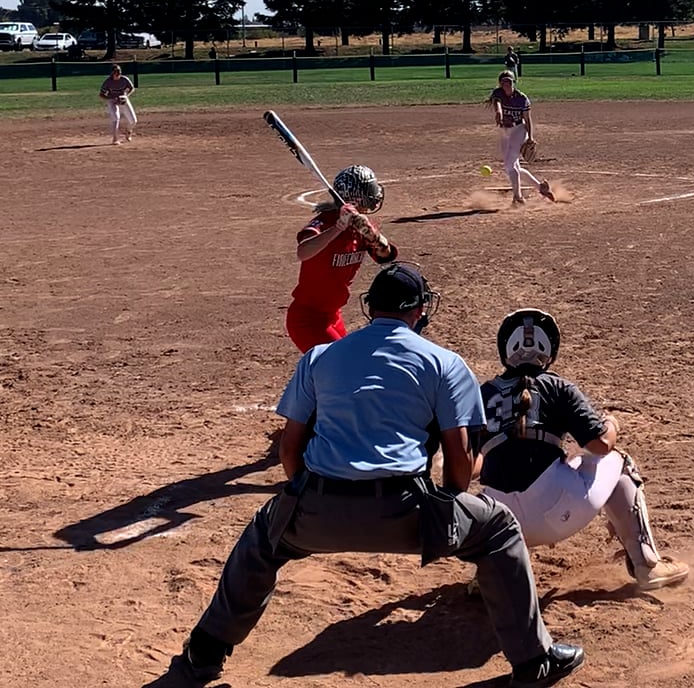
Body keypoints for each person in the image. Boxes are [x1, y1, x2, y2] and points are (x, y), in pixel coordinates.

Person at [168, 263, 585, 688]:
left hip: (317, 509)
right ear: (420, 310)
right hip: (407, 513)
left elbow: (289, 449)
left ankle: (203, 654)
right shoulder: (445, 363)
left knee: (263, 537)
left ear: (370, 307)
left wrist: (304, 499)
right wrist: (448, 512)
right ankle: (534, 662)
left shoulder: (320, 357)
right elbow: (459, 461)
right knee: (498, 528)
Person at [475, 309, 690, 590]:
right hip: (556, 516)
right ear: (550, 351)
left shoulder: (482, 393)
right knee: (618, 461)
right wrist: (611, 423)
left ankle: (491, 573)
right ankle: (647, 564)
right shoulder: (557, 387)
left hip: (499, 526)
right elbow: (600, 445)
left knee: (493, 486)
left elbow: (470, 466)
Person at [283, 165, 399, 352]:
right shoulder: (325, 222)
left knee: (347, 362)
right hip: (308, 318)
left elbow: (386, 256)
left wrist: (374, 237)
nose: (375, 194)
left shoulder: (360, 225)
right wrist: (337, 228)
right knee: (344, 363)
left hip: (333, 315)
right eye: (370, 190)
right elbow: (303, 252)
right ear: (357, 196)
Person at [489, 70, 553, 205]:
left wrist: (530, 137)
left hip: (519, 130)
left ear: (514, 82)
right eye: (503, 82)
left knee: (509, 165)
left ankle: (518, 197)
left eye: (509, 81)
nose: (507, 84)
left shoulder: (522, 98)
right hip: (504, 131)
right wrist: (498, 112)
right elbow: (497, 104)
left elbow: (527, 120)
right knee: (513, 167)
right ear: (500, 84)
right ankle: (541, 187)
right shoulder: (498, 93)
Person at [100, 64, 137, 144]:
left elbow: (132, 88)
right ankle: (115, 139)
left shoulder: (124, 79)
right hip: (112, 101)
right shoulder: (108, 82)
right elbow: (101, 94)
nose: (118, 73)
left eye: (119, 71)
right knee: (116, 118)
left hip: (123, 100)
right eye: (116, 71)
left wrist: (126, 95)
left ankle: (128, 131)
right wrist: (112, 98)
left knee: (133, 121)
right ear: (112, 73)